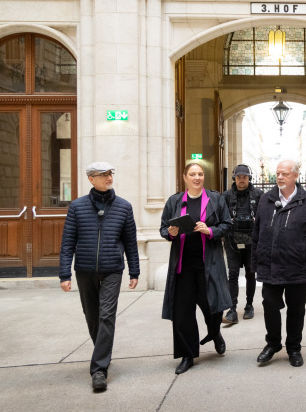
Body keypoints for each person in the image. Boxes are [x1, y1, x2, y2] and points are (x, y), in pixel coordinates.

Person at [59, 161, 140, 391]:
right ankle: (102, 352)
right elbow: (67, 243)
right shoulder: (77, 207)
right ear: (91, 179)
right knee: (93, 317)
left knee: (106, 316)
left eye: (110, 174)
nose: (108, 178)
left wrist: (134, 270)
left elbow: (130, 242)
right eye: (103, 175)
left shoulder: (124, 207)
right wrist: (64, 273)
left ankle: (99, 369)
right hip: (84, 270)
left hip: (113, 268)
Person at [252, 159, 306, 367]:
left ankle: (294, 348)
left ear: (296, 176)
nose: (279, 177)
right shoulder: (266, 200)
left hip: (297, 266)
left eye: (285, 174)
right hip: (271, 265)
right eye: (278, 173)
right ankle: (273, 343)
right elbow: (256, 234)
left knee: (296, 310)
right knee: (269, 305)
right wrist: (255, 264)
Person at [160, 162, 233, 374]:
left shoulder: (215, 199)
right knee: (183, 313)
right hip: (183, 267)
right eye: (192, 174)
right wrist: (170, 233)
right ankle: (187, 355)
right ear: (185, 177)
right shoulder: (175, 201)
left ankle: (215, 332)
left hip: (208, 264)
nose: (197, 177)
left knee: (213, 306)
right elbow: (164, 227)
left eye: (200, 174)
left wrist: (210, 230)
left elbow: (227, 224)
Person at [222, 164, 264, 324]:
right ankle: (232, 308)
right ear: (234, 178)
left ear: (249, 178)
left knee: (250, 274)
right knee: (232, 274)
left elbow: (265, 217)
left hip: (252, 241)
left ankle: (249, 306)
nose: (241, 180)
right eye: (239, 177)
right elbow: (220, 216)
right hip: (232, 241)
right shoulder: (226, 196)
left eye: (244, 177)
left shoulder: (258, 195)